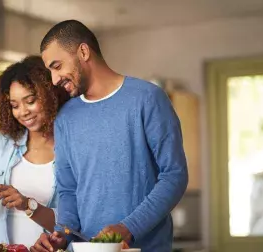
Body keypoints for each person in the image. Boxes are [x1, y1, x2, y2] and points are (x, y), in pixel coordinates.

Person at [30, 20, 188, 252]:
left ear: (83, 52)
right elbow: (68, 190)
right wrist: (61, 234)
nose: (54, 79)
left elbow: (174, 176)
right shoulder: (65, 118)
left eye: (57, 66)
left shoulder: (147, 99)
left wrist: (128, 228)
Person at [0, 55, 69, 248]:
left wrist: (27, 204)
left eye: (30, 101)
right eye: (14, 105)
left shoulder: (73, 148)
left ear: (51, 94)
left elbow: (71, 226)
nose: (23, 112)